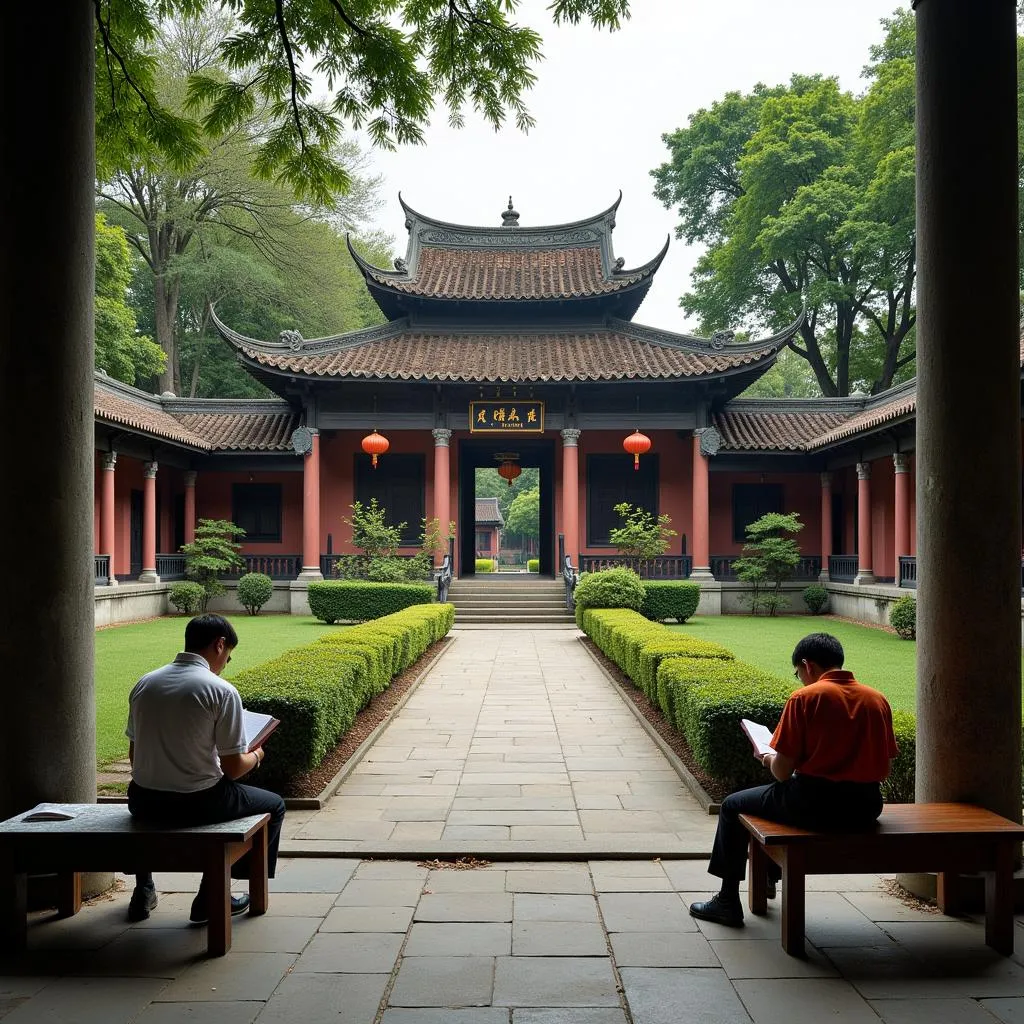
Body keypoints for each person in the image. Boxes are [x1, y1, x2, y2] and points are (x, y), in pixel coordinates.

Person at [689, 632, 898, 928]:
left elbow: (782, 772)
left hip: (812, 805)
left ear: (806, 665)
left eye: (798, 672)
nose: (800, 678)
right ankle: (769, 875)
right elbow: (885, 768)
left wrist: (767, 758)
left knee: (733, 805)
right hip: (865, 807)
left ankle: (727, 901)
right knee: (775, 802)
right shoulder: (877, 700)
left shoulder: (805, 698)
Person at [124, 613, 286, 923]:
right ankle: (214, 894)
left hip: (142, 802)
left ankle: (144, 889)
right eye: (228, 655)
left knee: (154, 793)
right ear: (219, 644)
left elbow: (135, 755)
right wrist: (258, 754)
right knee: (274, 806)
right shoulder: (220, 691)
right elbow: (235, 769)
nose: (226, 662)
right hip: (198, 805)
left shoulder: (145, 683)